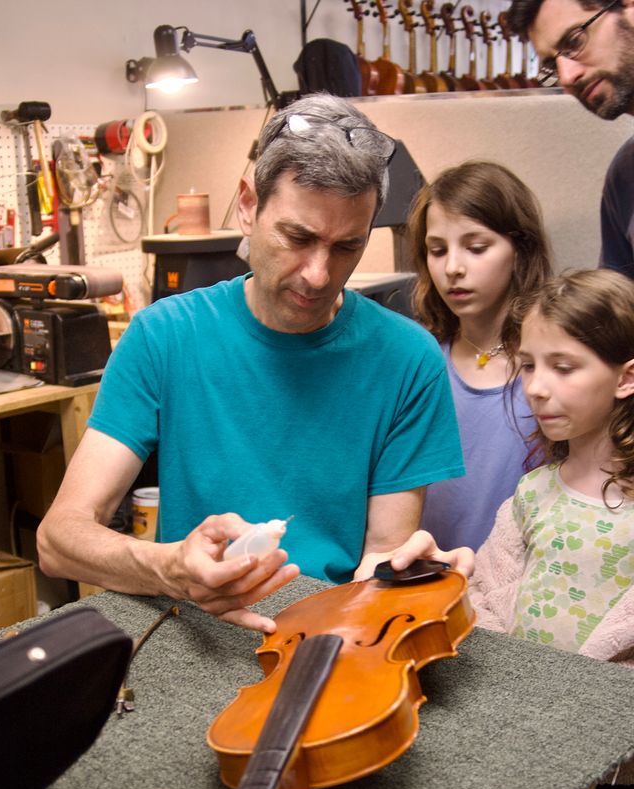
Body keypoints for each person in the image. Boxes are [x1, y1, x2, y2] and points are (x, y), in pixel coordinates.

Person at [37, 93, 465, 633]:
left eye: (346, 247)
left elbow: (381, 559)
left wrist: (412, 579)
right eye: (298, 237)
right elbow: (59, 539)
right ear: (247, 205)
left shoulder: (408, 360)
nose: (317, 273)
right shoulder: (163, 336)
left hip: (331, 636)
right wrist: (170, 568)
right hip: (193, 626)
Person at [401, 269, 634, 789]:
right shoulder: (532, 494)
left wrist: (577, 688)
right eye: (529, 365)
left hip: (613, 755)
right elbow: (494, 602)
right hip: (528, 737)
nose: (537, 386)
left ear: (626, 378)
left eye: (564, 366)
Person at [407, 160, 552, 551]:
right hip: (429, 590)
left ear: (520, 249)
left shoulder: (551, 374)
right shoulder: (419, 364)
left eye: (476, 247)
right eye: (437, 251)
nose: (453, 268)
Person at [506, 0, 634, 280]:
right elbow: (618, 315)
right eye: (552, 65)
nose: (567, 76)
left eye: (574, 41)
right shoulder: (624, 174)